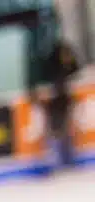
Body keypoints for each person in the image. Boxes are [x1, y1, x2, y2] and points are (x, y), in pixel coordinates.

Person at [42, 38, 81, 168]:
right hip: (55, 105)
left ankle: (67, 159)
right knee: (55, 131)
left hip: (64, 103)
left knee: (65, 131)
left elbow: (76, 73)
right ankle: (56, 160)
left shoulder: (69, 66)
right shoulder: (53, 69)